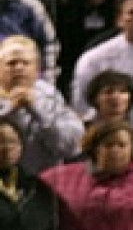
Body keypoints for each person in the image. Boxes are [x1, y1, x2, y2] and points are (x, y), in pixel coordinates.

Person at [0, 36, 83, 173]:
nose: (19, 68)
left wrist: (36, 110)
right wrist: (10, 110)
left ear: (37, 69)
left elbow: (72, 147)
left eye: (25, 63)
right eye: (12, 63)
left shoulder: (50, 95)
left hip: (44, 180)